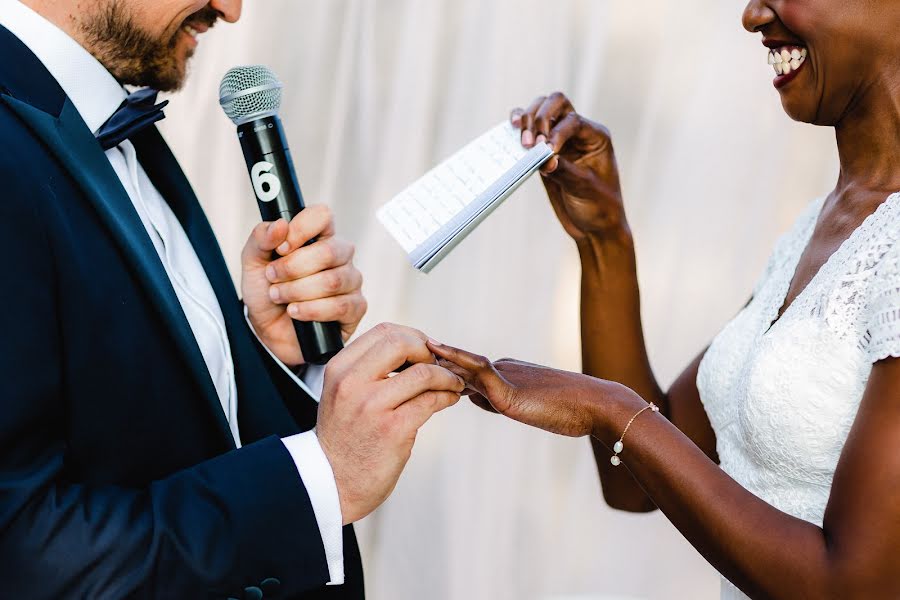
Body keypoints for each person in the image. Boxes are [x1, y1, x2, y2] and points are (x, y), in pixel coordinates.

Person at [431, 0, 900, 598]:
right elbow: (637, 478)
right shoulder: (817, 226)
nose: (753, 15)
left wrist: (604, 406)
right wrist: (604, 241)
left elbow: (854, 587)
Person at [0, 0, 464, 598]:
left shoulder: (106, 117)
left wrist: (267, 354)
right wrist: (320, 481)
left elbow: (150, 435)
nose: (232, 9)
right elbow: (20, 553)